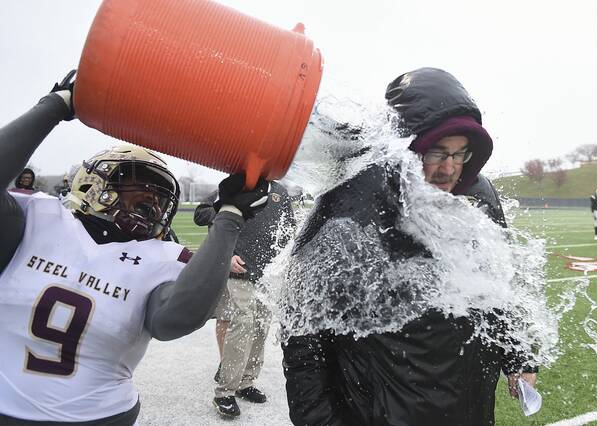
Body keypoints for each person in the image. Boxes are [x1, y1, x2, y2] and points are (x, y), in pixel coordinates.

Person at [0, 70, 271, 425]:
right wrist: (55, 106)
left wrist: (230, 217)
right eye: (139, 186)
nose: (152, 204)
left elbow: (176, 320)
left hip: (102, 416)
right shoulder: (33, 217)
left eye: (160, 198)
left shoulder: (160, 257)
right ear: (93, 183)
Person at [280, 67, 537, 425]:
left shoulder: (477, 197)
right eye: (436, 152)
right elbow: (301, 327)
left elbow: (496, 289)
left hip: (471, 410)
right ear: (406, 146)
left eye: (461, 153)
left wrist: (517, 355)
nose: (449, 169)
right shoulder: (354, 203)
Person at [194, 181, 295, 418]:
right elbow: (201, 214)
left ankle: (245, 383)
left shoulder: (280, 191)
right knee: (243, 324)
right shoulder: (239, 183)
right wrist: (226, 251)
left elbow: (289, 228)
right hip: (239, 269)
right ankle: (225, 392)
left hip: (268, 275)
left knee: (261, 327)